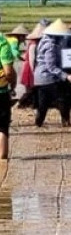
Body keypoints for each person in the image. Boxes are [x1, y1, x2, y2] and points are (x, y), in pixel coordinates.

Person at [34, 19, 71, 127]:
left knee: (43, 103)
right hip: (49, 77)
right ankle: (66, 122)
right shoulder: (51, 45)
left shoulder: (43, 41)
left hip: (40, 78)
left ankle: (38, 123)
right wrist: (66, 76)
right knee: (62, 99)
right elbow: (51, 66)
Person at [20, 23, 44, 105]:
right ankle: (22, 103)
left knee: (34, 88)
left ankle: (34, 104)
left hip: (33, 67)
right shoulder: (33, 44)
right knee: (31, 89)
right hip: (30, 68)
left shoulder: (34, 43)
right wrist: (34, 71)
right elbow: (32, 59)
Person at [0, 27, 15, 160]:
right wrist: (12, 84)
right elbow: (9, 72)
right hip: (1, 92)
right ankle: (2, 158)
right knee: (2, 125)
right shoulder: (3, 43)